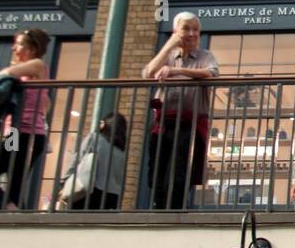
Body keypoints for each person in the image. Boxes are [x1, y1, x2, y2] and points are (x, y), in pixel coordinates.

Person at [0, 28, 51, 211]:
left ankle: (9, 209)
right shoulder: (34, 72)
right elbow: (47, 103)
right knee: (14, 188)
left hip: (22, 135)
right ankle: (16, 215)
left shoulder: (37, 64)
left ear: (32, 48)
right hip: (22, 134)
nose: (14, 48)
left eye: (19, 44)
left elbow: (5, 73)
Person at [143, 13, 219, 209]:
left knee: (180, 175)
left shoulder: (205, 56)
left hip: (189, 126)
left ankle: (175, 213)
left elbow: (211, 74)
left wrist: (177, 71)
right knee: (157, 174)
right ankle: (159, 213)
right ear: (176, 31)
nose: (192, 33)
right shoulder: (167, 56)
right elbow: (148, 73)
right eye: (186, 28)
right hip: (163, 125)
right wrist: (169, 45)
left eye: (196, 29)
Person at [58, 112, 128, 210]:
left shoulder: (94, 138)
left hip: (89, 191)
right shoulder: (121, 153)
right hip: (112, 197)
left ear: (104, 124)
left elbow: (78, 159)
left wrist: (64, 180)